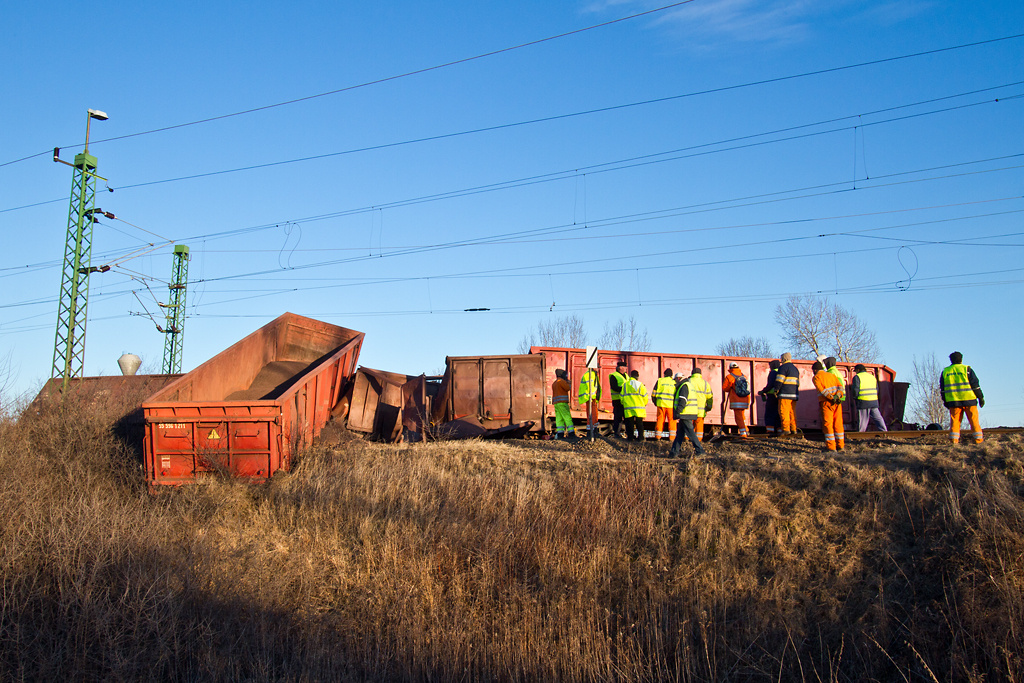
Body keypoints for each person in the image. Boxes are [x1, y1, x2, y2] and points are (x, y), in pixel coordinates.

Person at [940, 351, 985, 445]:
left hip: (954, 401)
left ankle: (954, 441)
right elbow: (975, 385)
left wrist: (945, 401)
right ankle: (978, 441)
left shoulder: (946, 371)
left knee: (955, 422)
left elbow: (943, 389)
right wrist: (980, 398)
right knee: (974, 421)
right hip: (969, 400)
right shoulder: (967, 369)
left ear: (951, 360)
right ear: (961, 359)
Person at [669, 371, 706, 457]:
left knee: (691, 433)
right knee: (680, 435)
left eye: (675, 380)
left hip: (685, 413)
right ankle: (674, 452)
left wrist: (678, 411)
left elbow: (683, 400)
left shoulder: (684, 386)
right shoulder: (688, 385)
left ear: (679, 378)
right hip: (688, 413)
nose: (675, 382)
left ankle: (700, 451)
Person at [812, 360, 845, 451]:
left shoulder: (816, 377)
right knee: (838, 423)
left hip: (826, 403)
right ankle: (841, 445)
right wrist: (837, 396)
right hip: (837, 403)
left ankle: (831, 447)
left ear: (814, 370)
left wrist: (831, 397)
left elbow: (822, 390)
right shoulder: (832, 375)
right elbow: (841, 386)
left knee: (828, 424)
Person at [771, 352, 801, 436]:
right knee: (792, 412)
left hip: (785, 394)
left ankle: (786, 429)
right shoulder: (795, 369)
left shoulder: (783, 368)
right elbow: (798, 383)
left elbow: (779, 380)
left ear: (784, 359)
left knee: (784, 412)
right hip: (794, 394)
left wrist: (776, 390)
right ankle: (794, 429)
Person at [852, 364, 888, 432]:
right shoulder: (872, 377)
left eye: (856, 371)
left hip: (863, 401)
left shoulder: (857, 377)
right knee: (878, 418)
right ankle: (884, 431)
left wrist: (855, 397)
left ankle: (860, 435)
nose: (855, 372)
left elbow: (855, 390)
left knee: (862, 420)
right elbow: (877, 389)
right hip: (874, 401)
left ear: (858, 370)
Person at [722, 362, 751, 438]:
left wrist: (731, 388)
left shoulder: (729, 377)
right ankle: (746, 430)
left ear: (730, 368)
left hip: (736, 400)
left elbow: (725, 388)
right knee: (742, 416)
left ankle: (743, 433)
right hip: (745, 399)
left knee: (738, 417)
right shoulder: (744, 376)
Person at [620, 370, 648, 442]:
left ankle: (630, 437)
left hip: (628, 407)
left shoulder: (625, 385)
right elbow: (645, 397)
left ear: (630, 376)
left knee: (630, 424)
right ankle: (641, 438)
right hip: (639, 408)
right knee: (639, 424)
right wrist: (644, 404)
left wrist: (624, 403)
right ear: (637, 377)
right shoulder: (641, 385)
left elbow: (621, 396)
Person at [686, 367, 713, 443]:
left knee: (689, 424)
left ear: (692, 374)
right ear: (700, 374)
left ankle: (687, 438)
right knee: (699, 424)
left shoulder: (688, 381)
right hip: (700, 410)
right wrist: (709, 406)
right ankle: (698, 441)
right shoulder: (705, 383)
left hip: (689, 408)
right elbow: (709, 397)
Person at [651, 368, 677, 440]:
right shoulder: (674, 382)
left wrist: (655, 402)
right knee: (672, 421)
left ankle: (658, 437)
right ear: (671, 375)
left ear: (664, 374)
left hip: (661, 404)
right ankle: (672, 438)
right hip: (671, 405)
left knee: (660, 419)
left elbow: (653, 393)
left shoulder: (660, 381)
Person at [578, 366, 602, 441]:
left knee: (594, 415)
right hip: (590, 398)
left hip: (592, 398)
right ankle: (590, 432)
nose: (598, 369)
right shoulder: (590, 375)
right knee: (591, 415)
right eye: (597, 367)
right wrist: (593, 396)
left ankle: (594, 431)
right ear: (594, 367)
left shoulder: (593, 374)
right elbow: (590, 387)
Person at [758, 359, 781, 435]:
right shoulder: (781, 372)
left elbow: (770, 385)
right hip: (779, 396)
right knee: (778, 413)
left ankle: (770, 430)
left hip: (772, 396)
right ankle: (779, 429)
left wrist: (763, 391)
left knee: (770, 413)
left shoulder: (773, 372)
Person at [551, 368, 574, 439]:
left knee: (559, 418)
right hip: (563, 403)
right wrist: (569, 382)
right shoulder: (561, 382)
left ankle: (560, 433)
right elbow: (567, 388)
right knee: (567, 417)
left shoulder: (554, 383)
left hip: (556, 404)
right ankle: (571, 433)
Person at [608, 362, 628, 438]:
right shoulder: (614, 376)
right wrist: (625, 389)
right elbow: (614, 387)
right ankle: (616, 433)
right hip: (617, 400)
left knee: (627, 418)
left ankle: (628, 433)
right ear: (620, 368)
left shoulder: (626, 376)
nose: (626, 369)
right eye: (625, 367)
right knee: (618, 417)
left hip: (625, 400)